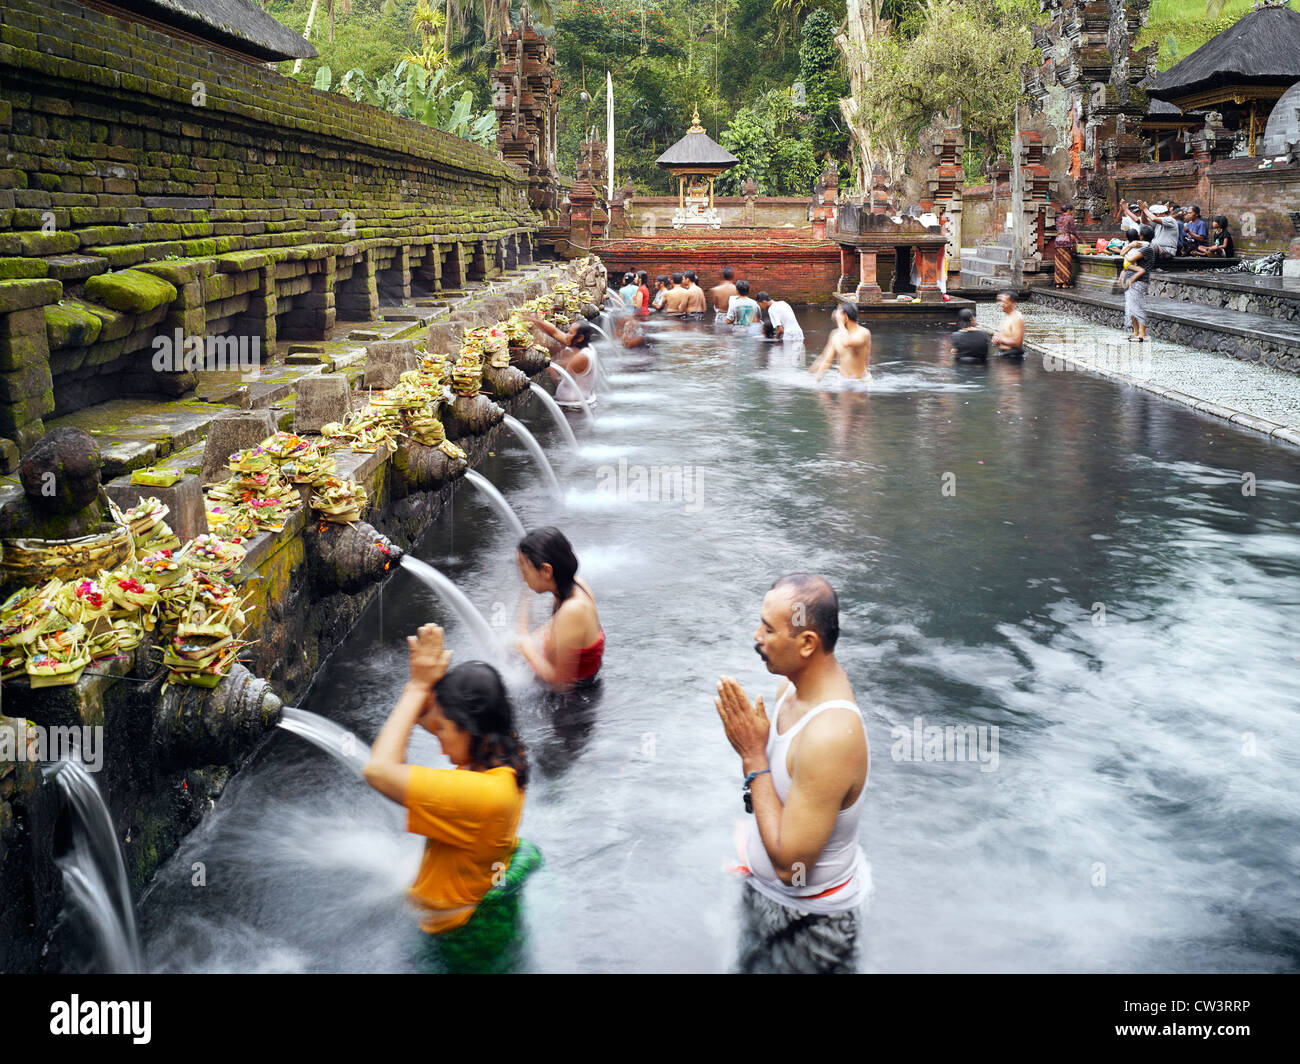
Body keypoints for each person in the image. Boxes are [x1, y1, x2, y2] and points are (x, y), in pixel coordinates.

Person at [715, 573, 870, 974]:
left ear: (806, 644)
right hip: (772, 902)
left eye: (768, 629)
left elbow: (792, 870)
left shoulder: (831, 735)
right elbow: (781, 796)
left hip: (812, 925)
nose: (756, 638)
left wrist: (753, 757)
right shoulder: (791, 687)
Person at [363, 625, 538, 973]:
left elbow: (379, 771)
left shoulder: (482, 794)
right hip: (461, 921)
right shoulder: (501, 749)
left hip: (460, 941)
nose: (438, 742)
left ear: (470, 728)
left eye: (444, 730)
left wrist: (417, 686)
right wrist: (427, 683)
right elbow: (428, 716)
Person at [514, 527, 604, 692]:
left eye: (525, 571)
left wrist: (526, 646)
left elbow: (561, 683)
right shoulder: (576, 585)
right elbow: (555, 628)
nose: (523, 578)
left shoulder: (572, 610)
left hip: (575, 704)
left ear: (546, 571)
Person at [527, 315, 598, 408]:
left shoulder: (582, 357)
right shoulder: (586, 348)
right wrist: (535, 321)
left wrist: (542, 352)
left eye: (570, 333)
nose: (567, 335)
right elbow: (555, 332)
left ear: (580, 338)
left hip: (575, 408)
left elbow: (557, 375)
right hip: (577, 404)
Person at [810, 302, 871, 382]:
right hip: (842, 380)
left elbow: (847, 342)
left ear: (845, 316)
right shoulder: (835, 334)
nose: (835, 313)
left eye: (838, 311)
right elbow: (827, 360)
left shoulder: (863, 333)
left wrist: (840, 323)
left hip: (860, 382)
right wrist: (815, 381)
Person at [1123, 224, 1155, 342]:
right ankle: (1136, 332)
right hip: (1133, 279)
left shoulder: (1147, 248)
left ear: (1141, 236)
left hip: (1140, 280)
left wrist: (1128, 248)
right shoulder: (1142, 247)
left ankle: (1142, 334)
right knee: (1131, 307)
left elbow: (1129, 259)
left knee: (1138, 306)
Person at [1053, 204, 1081, 289]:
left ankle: (1058, 283)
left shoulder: (1058, 218)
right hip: (1066, 241)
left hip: (1058, 240)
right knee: (1066, 263)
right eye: (1071, 210)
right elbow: (1073, 229)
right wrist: (1079, 238)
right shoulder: (1070, 217)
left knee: (1058, 263)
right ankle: (1065, 283)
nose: (1072, 212)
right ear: (1069, 210)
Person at [990, 291, 1024, 356]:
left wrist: (1000, 339)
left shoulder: (1017, 318)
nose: (1001, 304)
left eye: (1005, 302)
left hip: (1012, 355)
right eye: (1001, 301)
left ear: (1013, 303)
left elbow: (1018, 342)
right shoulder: (1008, 316)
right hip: (1005, 353)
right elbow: (1006, 336)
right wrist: (997, 339)